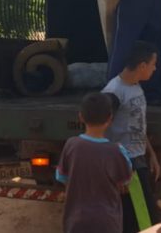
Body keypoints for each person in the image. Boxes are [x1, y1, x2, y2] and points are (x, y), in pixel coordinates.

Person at [102, 40, 160, 233]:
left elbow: (137, 125)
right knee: (137, 221)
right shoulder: (114, 92)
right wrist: (118, 173)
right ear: (142, 66)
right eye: (153, 64)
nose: (155, 68)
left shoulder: (135, 86)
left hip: (138, 160)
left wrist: (150, 154)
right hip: (127, 167)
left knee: (143, 219)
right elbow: (100, 134)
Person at [56, 92, 132, 233]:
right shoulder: (117, 151)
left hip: (75, 221)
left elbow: (62, 177)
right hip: (107, 223)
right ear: (110, 118)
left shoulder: (71, 145)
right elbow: (125, 181)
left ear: (81, 117)